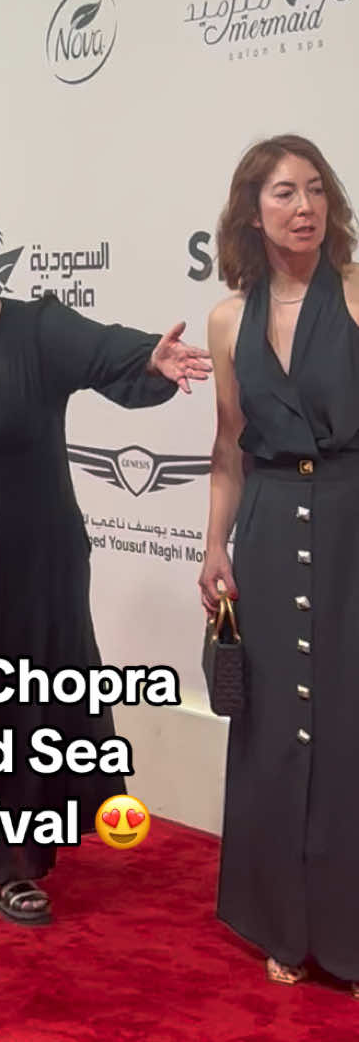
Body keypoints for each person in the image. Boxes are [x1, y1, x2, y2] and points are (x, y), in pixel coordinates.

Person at [0, 212, 210, 923]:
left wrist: (152, 360)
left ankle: (8, 862)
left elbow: (108, 352)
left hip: (32, 561)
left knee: (17, 705)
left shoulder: (36, 327)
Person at [199, 135, 359, 997]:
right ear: (250, 212)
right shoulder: (230, 319)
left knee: (348, 724)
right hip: (263, 525)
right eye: (284, 192)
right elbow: (228, 448)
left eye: (316, 190)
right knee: (273, 730)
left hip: (350, 522)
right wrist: (214, 542)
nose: (305, 207)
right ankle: (282, 922)